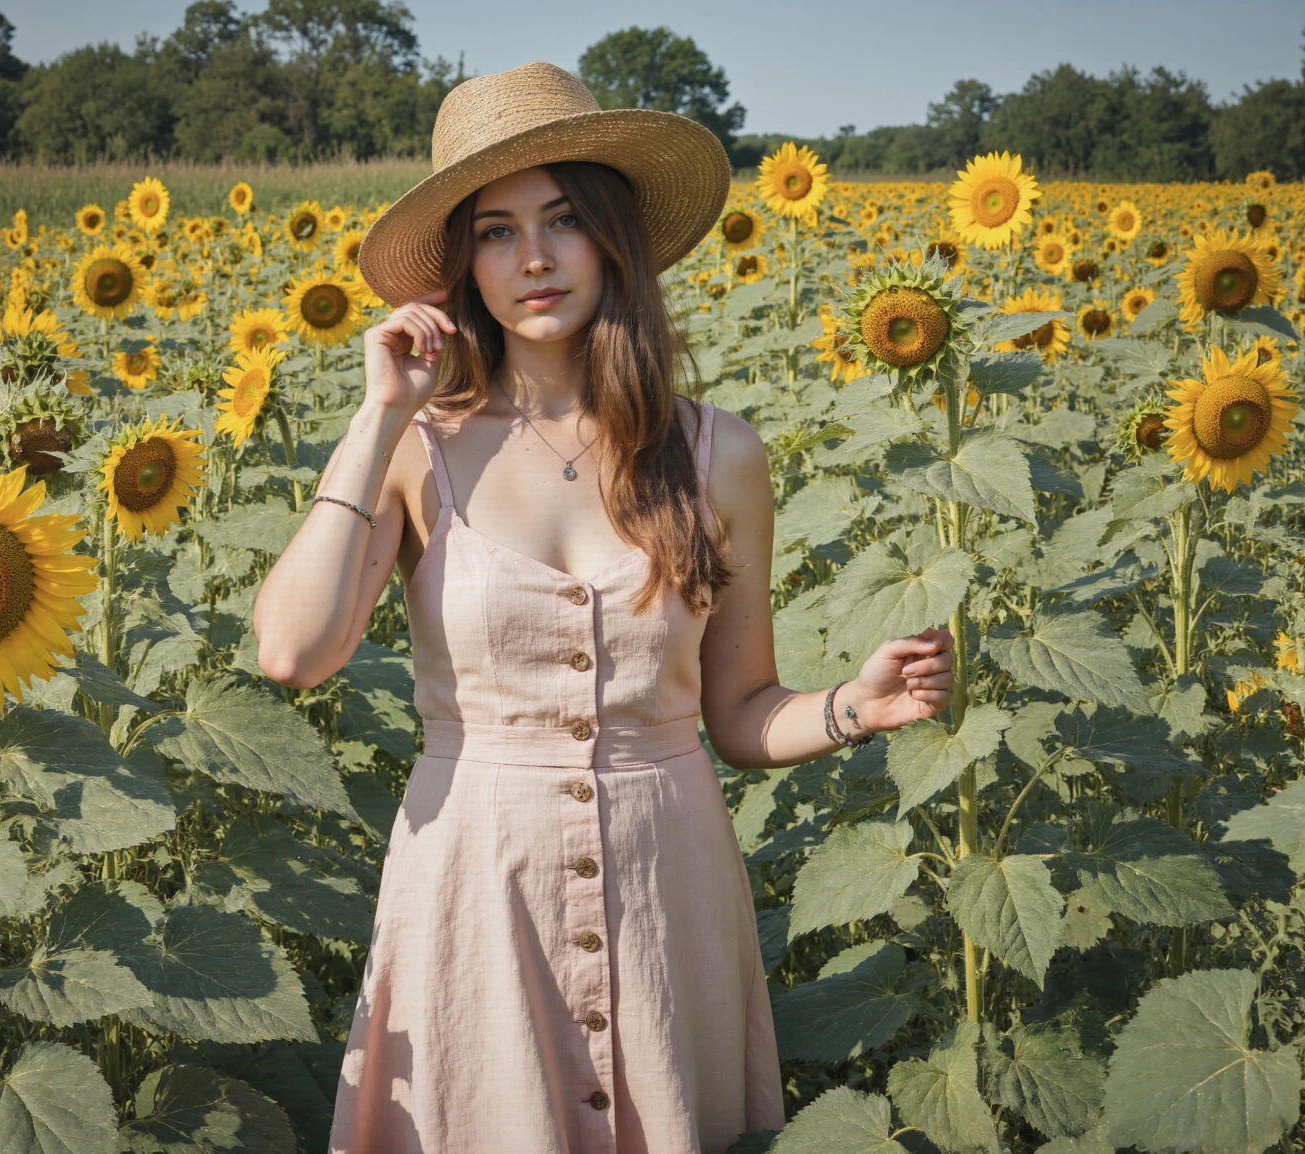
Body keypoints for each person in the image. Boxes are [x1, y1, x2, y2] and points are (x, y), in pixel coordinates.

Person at [252, 60, 955, 1154]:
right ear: (459, 271)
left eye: (563, 219)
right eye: (494, 230)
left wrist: (852, 706)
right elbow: (292, 650)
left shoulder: (719, 454)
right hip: (480, 895)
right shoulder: (418, 452)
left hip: (664, 890)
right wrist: (376, 415)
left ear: (613, 235)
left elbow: (738, 713)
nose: (532, 257)